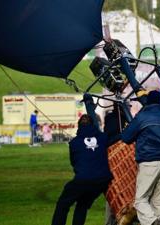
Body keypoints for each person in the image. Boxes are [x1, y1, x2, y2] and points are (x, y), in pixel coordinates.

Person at [121, 91, 160, 225]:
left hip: (149, 161)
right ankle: (155, 221)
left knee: (141, 200)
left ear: (148, 102)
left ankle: (153, 222)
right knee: (159, 200)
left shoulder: (142, 117)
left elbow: (125, 138)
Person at [51, 96, 113, 225]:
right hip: (102, 181)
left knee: (63, 204)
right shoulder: (102, 138)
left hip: (83, 178)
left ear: (79, 126)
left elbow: (74, 163)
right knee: (82, 205)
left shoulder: (74, 143)